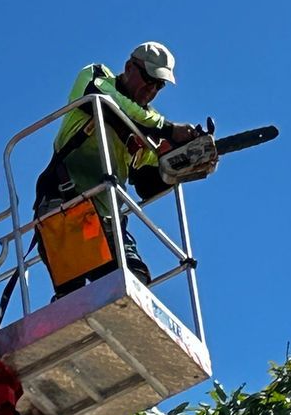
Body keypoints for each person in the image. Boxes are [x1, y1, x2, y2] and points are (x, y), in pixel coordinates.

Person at [34, 41, 207, 291]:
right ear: (129, 67)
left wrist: (179, 166)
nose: (152, 89)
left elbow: (147, 185)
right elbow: (105, 102)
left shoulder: (146, 132)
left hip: (107, 219)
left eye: (159, 85)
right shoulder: (95, 77)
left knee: (133, 281)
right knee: (75, 294)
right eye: (149, 79)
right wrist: (169, 130)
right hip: (65, 206)